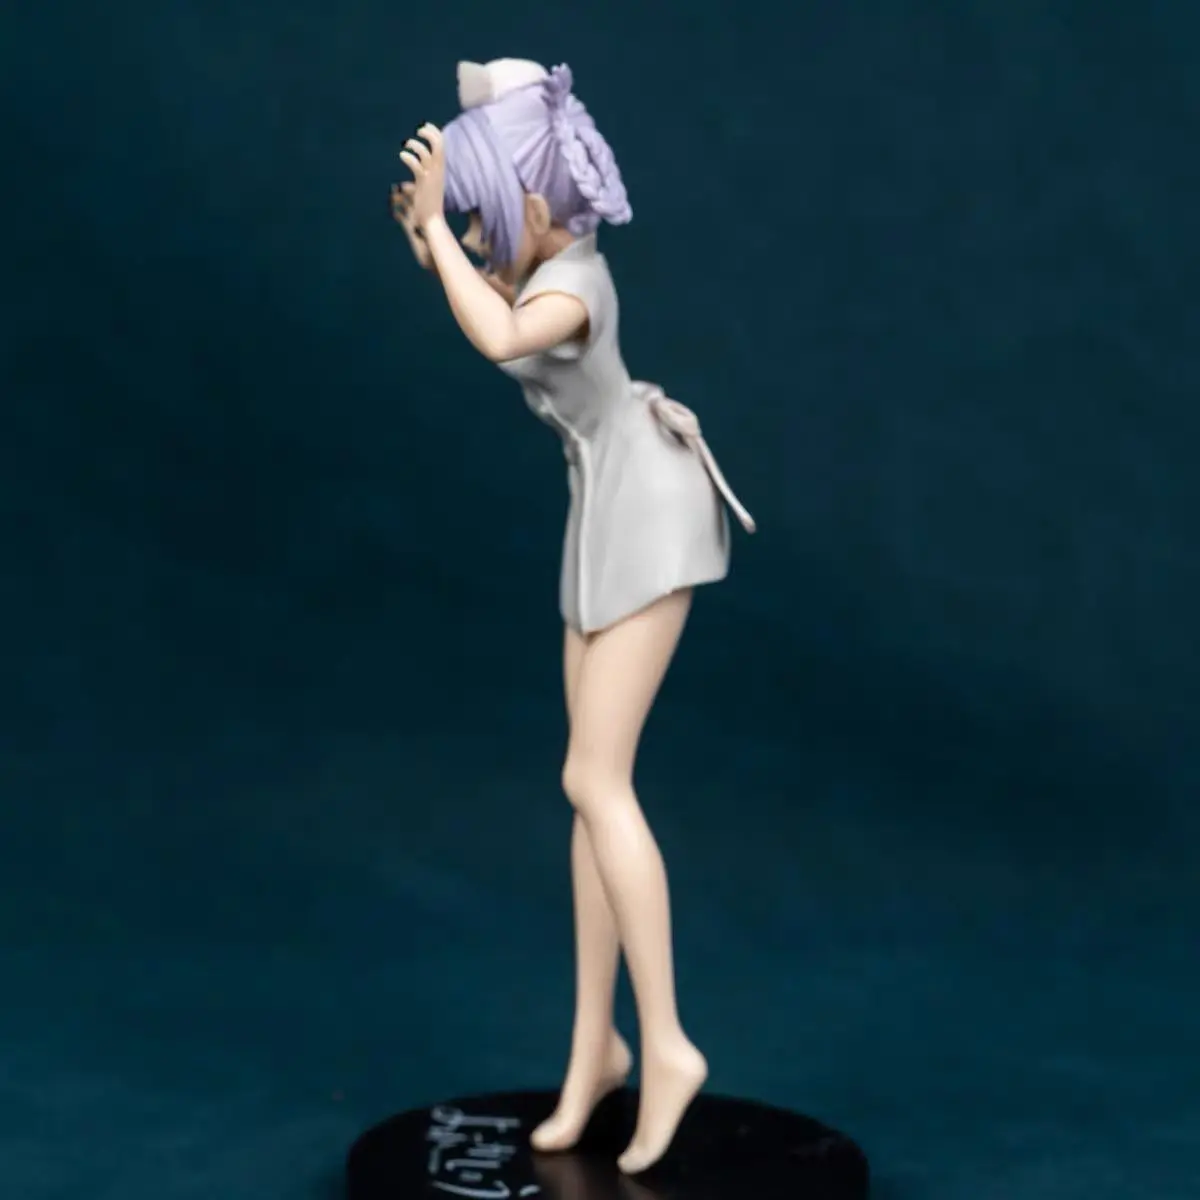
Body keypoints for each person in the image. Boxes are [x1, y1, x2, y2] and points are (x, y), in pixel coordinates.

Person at [391, 58, 754, 1175]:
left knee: (596, 780)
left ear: (538, 207)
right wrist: (431, 235)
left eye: (488, 216)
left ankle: (670, 1044)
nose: (479, 237)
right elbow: (485, 294)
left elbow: (502, 336)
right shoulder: (542, 265)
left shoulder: (578, 288)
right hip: (601, 513)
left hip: (649, 512)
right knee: (586, 789)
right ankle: (597, 1044)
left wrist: (441, 240)